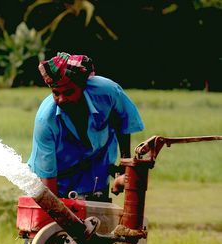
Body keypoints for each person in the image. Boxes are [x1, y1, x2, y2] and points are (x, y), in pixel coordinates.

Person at [28, 52, 144, 201]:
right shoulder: (46, 120)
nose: (62, 99)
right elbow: (48, 178)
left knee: (98, 219)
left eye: (68, 92)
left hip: (96, 174)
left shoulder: (108, 92)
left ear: (82, 86)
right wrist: (57, 210)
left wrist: (124, 163)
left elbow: (122, 120)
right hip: (58, 180)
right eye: (56, 93)